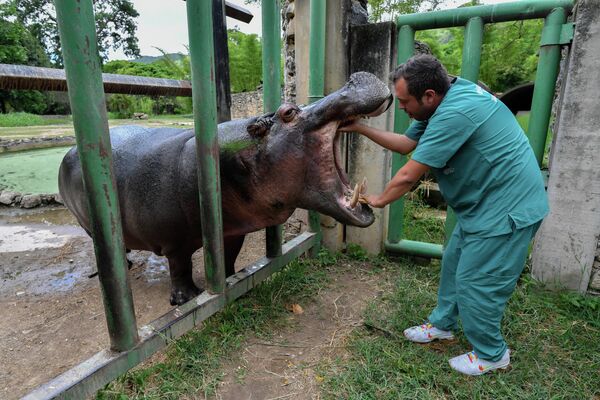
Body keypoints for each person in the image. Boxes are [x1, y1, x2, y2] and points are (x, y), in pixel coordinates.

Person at [340, 54, 549, 376]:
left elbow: (409, 175)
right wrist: (359, 127)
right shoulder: (444, 97)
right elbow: (406, 144)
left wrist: (379, 200)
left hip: (507, 209)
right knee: (453, 264)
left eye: (404, 101)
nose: (401, 108)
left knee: (478, 282)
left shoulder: (455, 112)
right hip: (482, 205)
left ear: (428, 96)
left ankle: (492, 354)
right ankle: (442, 325)